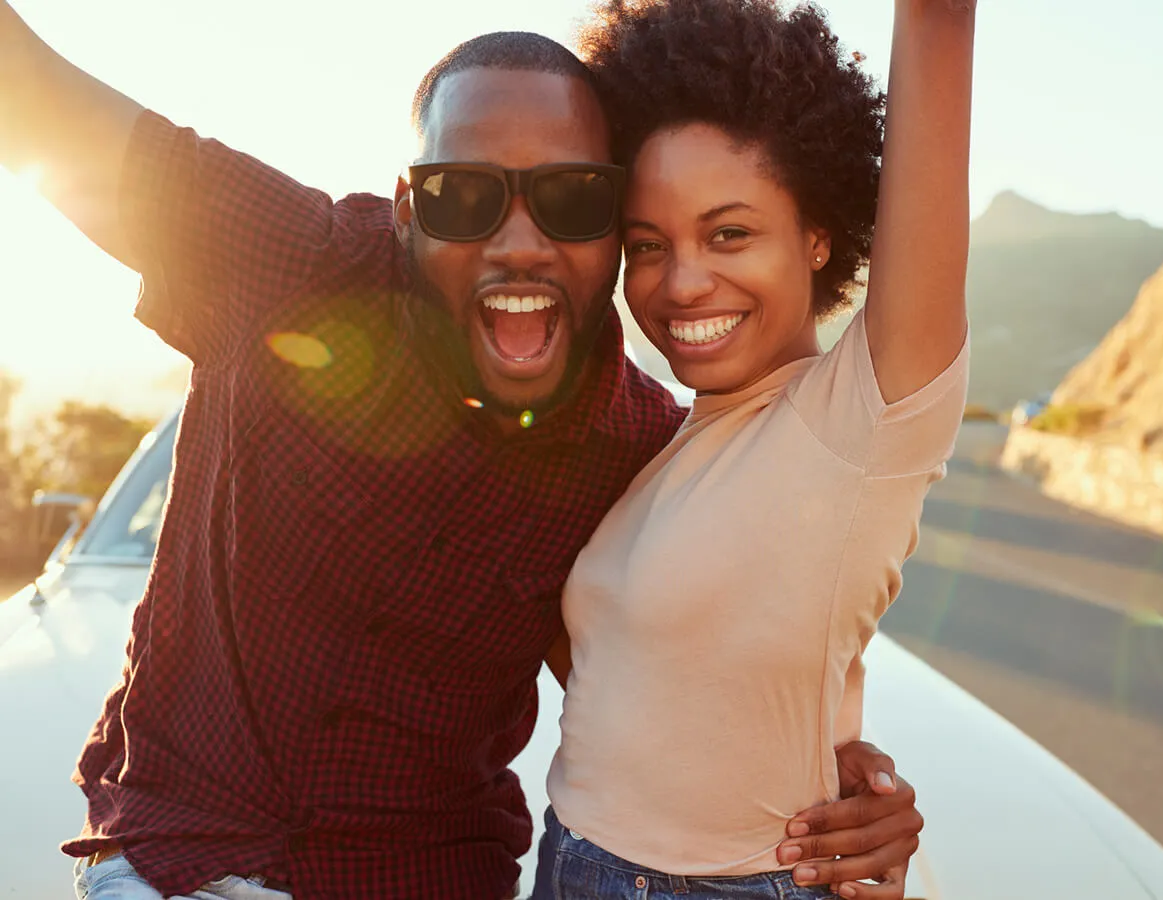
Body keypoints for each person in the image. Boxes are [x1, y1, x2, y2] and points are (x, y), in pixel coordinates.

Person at [0, 4, 925, 899]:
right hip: (180, 862)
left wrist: (843, 778)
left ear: (615, 228)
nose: (518, 245)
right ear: (409, 208)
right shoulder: (290, 265)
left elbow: (656, 677)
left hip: (429, 877)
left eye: (571, 199)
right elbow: (32, 95)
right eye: (464, 196)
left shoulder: (640, 450)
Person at [532, 1, 974, 899]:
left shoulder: (864, 415)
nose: (683, 280)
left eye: (729, 233)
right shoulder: (662, 442)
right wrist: (837, 752)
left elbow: (939, 27)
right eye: (649, 245)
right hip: (570, 861)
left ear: (819, 236)